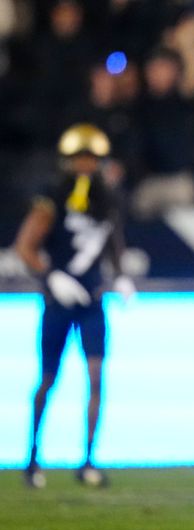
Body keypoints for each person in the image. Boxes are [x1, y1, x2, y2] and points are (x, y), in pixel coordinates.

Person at [14, 123, 136, 489]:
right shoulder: (50, 198)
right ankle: (33, 458)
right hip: (58, 300)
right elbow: (25, 247)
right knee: (48, 378)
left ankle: (87, 460)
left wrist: (121, 276)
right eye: (80, 159)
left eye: (92, 159)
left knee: (96, 377)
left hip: (92, 299)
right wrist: (51, 276)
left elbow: (113, 241)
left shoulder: (107, 200)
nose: (86, 166)